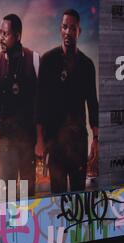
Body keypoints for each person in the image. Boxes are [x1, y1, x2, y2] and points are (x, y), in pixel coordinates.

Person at [35, 8, 99, 194]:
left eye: (72, 28)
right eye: (64, 27)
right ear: (60, 29)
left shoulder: (87, 65)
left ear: (79, 31)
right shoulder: (48, 60)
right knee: (58, 195)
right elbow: (40, 103)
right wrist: (39, 140)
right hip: (54, 142)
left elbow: (92, 104)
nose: (68, 32)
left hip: (78, 141)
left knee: (79, 194)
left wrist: (96, 139)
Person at [0, 13, 40, 197]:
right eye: (0, 33)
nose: (1, 37)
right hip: (5, 143)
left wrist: (41, 140)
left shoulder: (35, 61)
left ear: (18, 36)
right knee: (7, 195)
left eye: (5, 34)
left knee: (28, 194)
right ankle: (11, 225)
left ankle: (29, 225)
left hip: (28, 143)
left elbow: (43, 104)